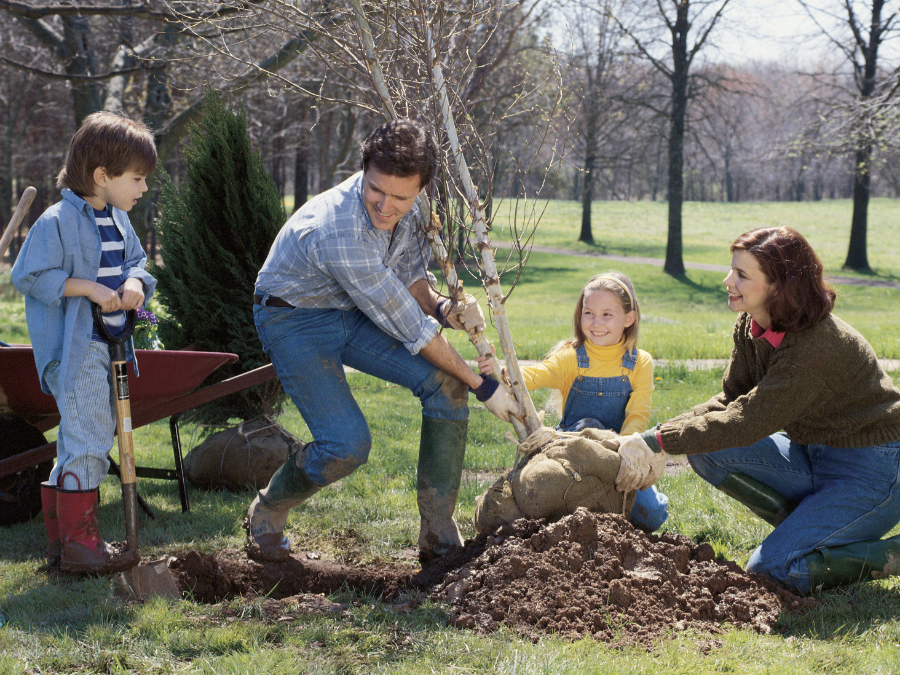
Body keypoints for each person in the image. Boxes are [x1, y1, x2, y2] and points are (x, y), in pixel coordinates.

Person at [247, 118, 522, 563]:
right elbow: (410, 330)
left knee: (444, 384)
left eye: (401, 197)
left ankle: (438, 535)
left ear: (419, 189)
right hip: (292, 318)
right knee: (346, 446)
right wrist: (484, 386)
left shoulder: (413, 207)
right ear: (364, 170)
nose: (387, 206)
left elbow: (411, 279)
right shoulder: (340, 231)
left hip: (348, 311)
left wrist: (444, 310)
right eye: (377, 191)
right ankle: (269, 508)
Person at [613, 227, 900, 594]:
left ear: (779, 287)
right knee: (708, 449)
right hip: (811, 454)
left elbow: (748, 421)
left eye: (742, 275)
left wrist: (659, 441)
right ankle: (810, 528)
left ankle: (887, 553)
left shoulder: (816, 347)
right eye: (732, 269)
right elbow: (731, 400)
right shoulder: (752, 325)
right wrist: (655, 437)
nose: (727, 280)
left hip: (872, 473)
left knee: (773, 569)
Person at [12, 111, 158, 575]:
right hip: (75, 353)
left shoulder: (116, 218)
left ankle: (64, 546)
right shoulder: (56, 222)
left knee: (78, 443)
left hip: (110, 347)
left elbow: (136, 261)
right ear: (102, 175)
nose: (143, 188)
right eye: (136, 178)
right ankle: (81, 544)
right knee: (91, 441)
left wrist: (136, 282)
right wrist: (88, 287)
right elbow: (28, 275)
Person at [478, 272, 669, 531]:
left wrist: (625, 451)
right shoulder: (571, 356)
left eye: (607, 314)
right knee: (545, 502)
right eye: (588, 312)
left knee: (653, 515)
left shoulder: (639, 362)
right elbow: (535, 375)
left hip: (616, 452)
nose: (596, 322)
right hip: (570, 452)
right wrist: (500, 372)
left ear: (629, 318)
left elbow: (637, 415)